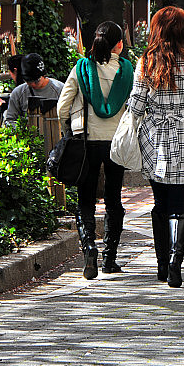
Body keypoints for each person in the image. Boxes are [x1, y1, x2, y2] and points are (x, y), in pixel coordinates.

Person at [127, 6, 184, 288]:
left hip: (154, 139)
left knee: (159, 204)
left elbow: (136, 105)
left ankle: (162, 265)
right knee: (179, 205)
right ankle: (177, 264)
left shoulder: (146, 62)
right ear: (183, 30)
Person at [57, 21, 134, 279]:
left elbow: (62, 107)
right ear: (118, 45)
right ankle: (110, 258)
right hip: (116, 143)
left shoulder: (81, 68)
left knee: (86, 199)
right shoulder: (126, 70)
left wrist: (69, 129)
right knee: (114, 200)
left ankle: (89, 248)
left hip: (87, 142)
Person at [3, 53, 64, 125]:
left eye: (36, 81)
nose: (32, 84)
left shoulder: (60, 90)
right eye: (28, 81)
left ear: (43, 76)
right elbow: (10, 119)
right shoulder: (18, 93)